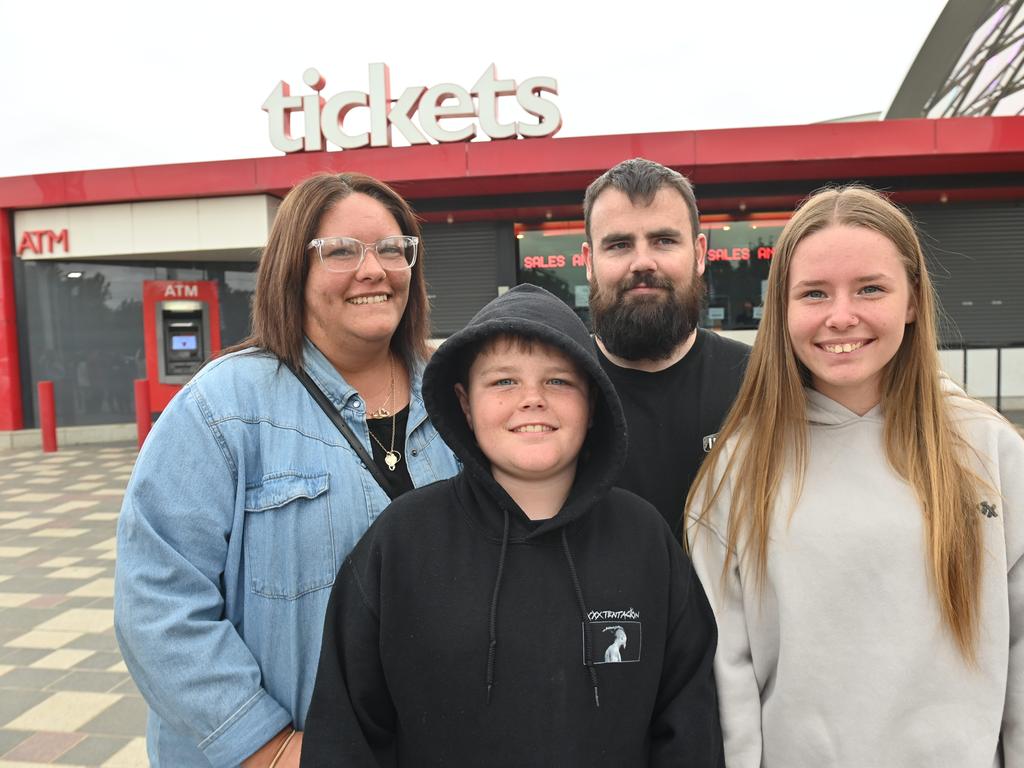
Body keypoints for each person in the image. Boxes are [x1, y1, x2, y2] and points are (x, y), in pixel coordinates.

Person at [114, 172, 459, 767]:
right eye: (341, 251)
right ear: (291, 272)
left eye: (392, 248)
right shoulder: (221, 409)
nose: (372, 269)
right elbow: (158, 603)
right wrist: (268, 748)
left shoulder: (460, 393)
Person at [301, 284, 724, 767]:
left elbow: (689, 727)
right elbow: (345, 734)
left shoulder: (645, 540)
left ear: (593, 403)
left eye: (559, 382)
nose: (532, 400)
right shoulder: (400, 543)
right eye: (503, 382)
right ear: (464, 403)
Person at [686, 185, 1024, 766]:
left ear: (913, 300)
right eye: (814, 293)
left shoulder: (989, 451)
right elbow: (727, 676)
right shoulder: (740, 470)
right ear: (783, 311)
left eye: (871, 288)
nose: (841, 316)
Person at [582, 158, 749, 539]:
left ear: (700, 253)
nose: (643, 262)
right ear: (589, 262)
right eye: (619, 244)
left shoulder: (758, 383)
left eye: (664, 241)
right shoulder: (557, 388)